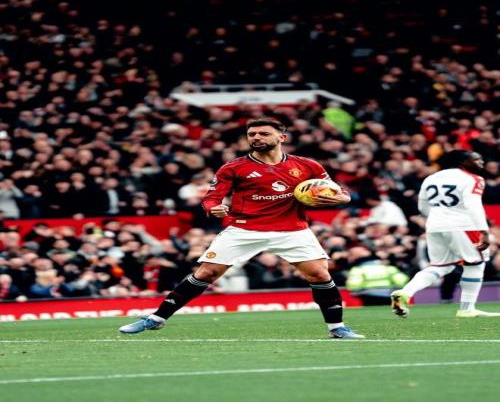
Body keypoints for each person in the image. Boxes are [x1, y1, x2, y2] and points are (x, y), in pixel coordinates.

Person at [119, 117, 365, 339]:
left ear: (282, 137)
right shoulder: (234, 167)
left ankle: (337, 328)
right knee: (206, 273)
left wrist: (342, 198)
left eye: (263, 133)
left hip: (292, 230)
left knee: (320, 275)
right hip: (245, 230)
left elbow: (339, 192)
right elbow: (211, 198)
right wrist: (214, 208)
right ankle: (156, 318)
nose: (256, 138)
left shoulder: (307, 166)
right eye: (252, 134)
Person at [391, 150, 500, 318]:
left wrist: (440, 217)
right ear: (462, 162)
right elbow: (473, 206)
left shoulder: (431, 178)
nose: (481, 163)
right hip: (464, 226)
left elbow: (422, 207)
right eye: (476, 159)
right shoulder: (473, 179)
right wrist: (483, 231)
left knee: (440, 266)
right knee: (475, 264)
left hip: (435, 225)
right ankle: (467, 309)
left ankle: (405, 292)